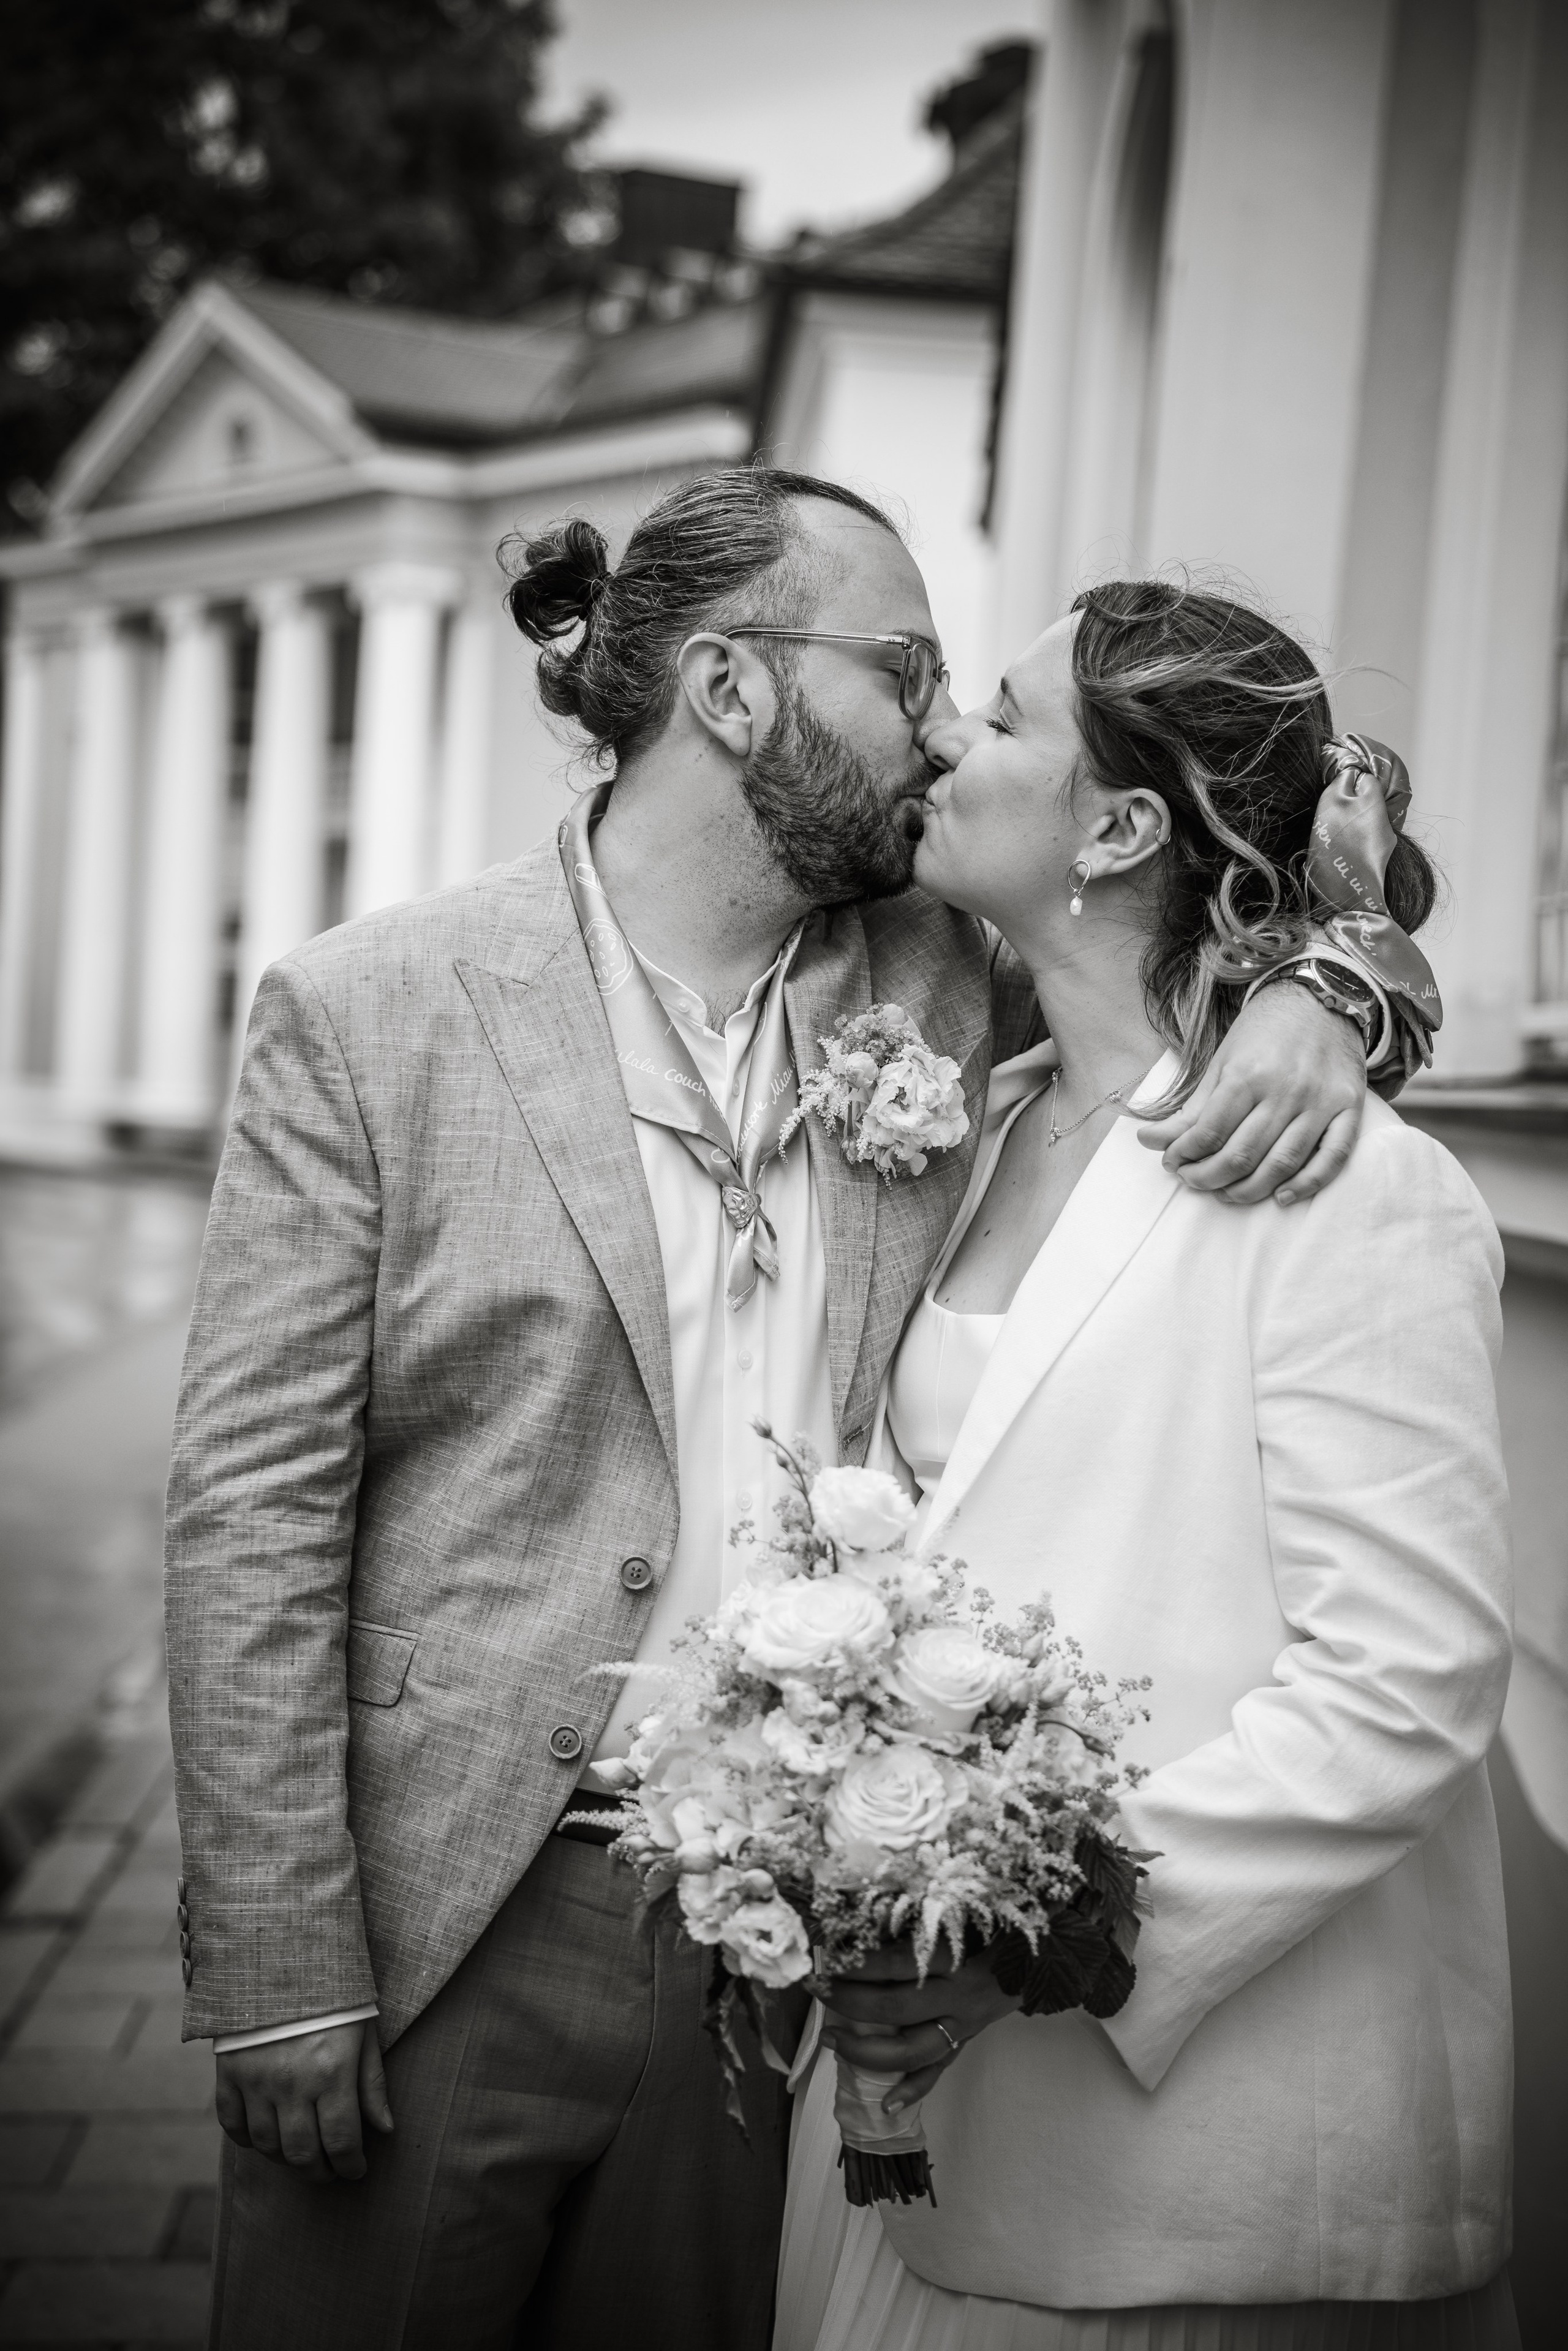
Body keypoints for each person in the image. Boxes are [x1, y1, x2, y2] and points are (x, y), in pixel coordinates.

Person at [164, 475, 1373, 2350]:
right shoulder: (370, 1008)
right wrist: (277, 1970)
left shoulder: (954, 981)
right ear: (733, 693)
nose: (947, 726)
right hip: (442, 1916)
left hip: (790, 1947)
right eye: (906, 673)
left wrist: (1332, 985)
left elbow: (1209, 854)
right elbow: (251, 1509)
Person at [776, 580, 1516, 2351]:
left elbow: (1408, 1682)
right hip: (915, 2124)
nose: (949, 734)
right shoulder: (974, 1116)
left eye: (1008, 717)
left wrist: (1041, 1936)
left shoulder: (1346, 1185)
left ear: (1117, 826)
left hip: (1198, 2156)